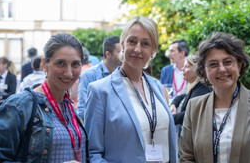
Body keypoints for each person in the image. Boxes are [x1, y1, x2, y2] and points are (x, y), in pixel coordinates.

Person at [179, 32, 250, 163]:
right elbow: (186, 158)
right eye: (213, 64)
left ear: (239, 65)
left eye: (228, 62)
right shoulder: (194, 106)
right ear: (203, 71)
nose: (222, 69)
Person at [85, 16, 177, 162]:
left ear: (153, 49)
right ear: (123, 44)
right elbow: (92, 153)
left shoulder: (158, 88)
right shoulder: (100, 91)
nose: (137, 49)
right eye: (132, 41)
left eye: (145, 44)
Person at [0, 33, 89, 162]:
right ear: (45, 64)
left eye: (75, 64)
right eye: (60, 63)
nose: (69, 73)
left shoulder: (68, 106)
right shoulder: (19, 107)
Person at [77, 35, 121, 119]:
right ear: (108, 54)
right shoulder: (89, 74)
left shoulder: (122, 75)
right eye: (119, 52)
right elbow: (83, 110)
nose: (123, 55)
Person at [169, 54, 212, 125]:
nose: (182, 69)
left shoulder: (202, 88)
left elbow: (190, 114)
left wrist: (170, 119)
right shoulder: (196, 86)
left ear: (197, 70)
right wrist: (174, 104)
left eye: (186, 67)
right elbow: (184, 96)